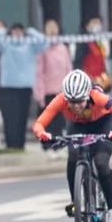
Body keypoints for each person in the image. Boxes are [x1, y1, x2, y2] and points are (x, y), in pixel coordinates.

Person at [33, 70, 112, 222]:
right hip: (77, 125)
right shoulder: (60, 100)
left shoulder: (99, 98)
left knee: (101, 163)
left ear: (88, 95)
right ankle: (75, 202)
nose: (76, 106)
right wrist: (42, 134)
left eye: (80, 101)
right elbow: (39, 123)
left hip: (102, 123)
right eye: (71, 102)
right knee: (73, 157)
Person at [0, 21, 47, 150]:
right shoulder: (6, 45)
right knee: (10, 117)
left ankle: (20, 144)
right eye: (15, 30)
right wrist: (3, 31)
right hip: (9, 86)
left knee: (22, 117)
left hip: (25, 86)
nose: (17, 33)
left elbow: (44, 42)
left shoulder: (30, 45)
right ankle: (10, 143)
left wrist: (31, 30)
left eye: (20, 30)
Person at [33, 20, 74, 159]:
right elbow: (39, 72)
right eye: (49, 29)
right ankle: (47, 146)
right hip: (48, 92)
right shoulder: (42, 50)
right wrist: (40, 93)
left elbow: (69, 68)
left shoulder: (63, 48)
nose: (52, 32)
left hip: (61, 92)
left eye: (54, 29)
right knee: (48, 122)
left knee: (60, 122)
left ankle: (58, 145)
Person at [74, 17, 111, 91]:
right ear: (87, 25)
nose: (97, 25)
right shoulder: (83, 41)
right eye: (94, 22)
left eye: (99, 23)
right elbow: (78, 62)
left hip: (101, 80)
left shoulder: (100, 41)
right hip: (88, 81)